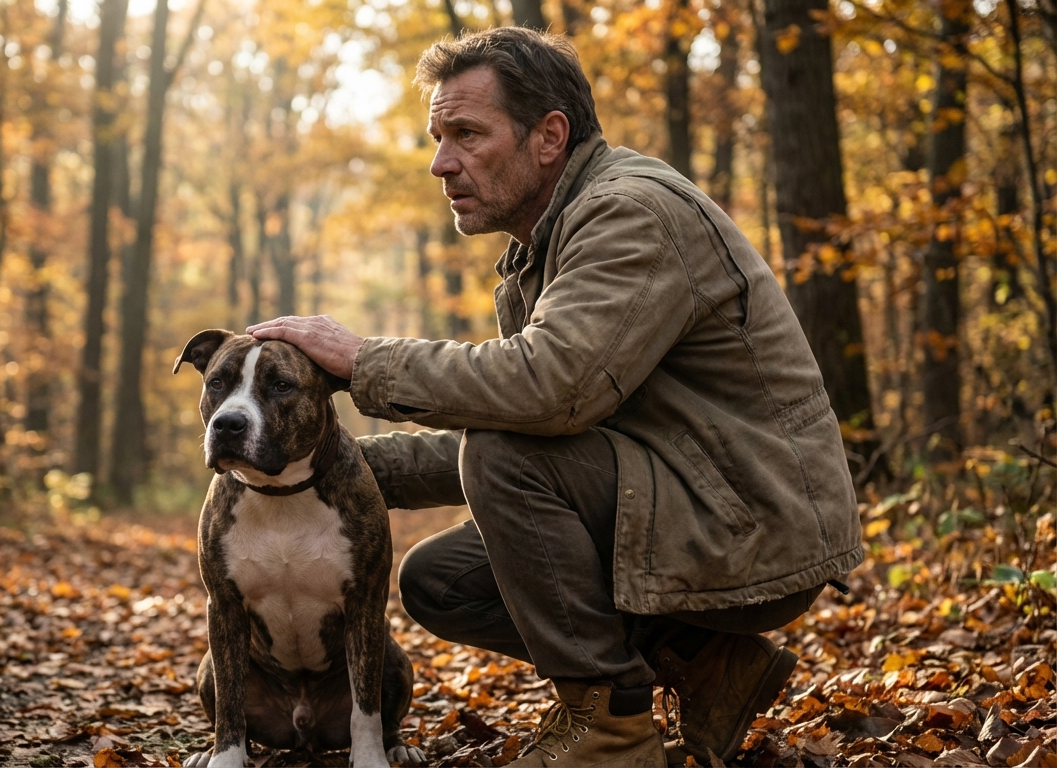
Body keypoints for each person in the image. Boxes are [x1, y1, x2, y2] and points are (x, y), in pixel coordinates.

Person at [248, 26, 862, 767]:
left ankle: (611, 727)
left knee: (508, 455)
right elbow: (536, 425)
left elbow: (545, 396)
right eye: (438, 137)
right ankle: (706, 661)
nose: (442, 164)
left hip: (751, 523)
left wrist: (362, 361)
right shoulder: (552, 242)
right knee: (440, 582)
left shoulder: (628, 213)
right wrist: (328, 468)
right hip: (688, 500)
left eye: (468, 134)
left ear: (549, 137)